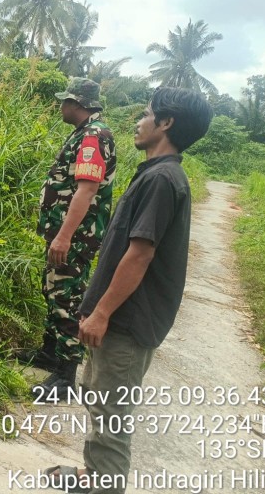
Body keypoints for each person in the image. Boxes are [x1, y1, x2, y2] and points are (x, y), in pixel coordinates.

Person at [46, 86, 213, 493]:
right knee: (99, 398)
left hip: (126, 320)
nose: (139, 121)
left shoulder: (162, 180)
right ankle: (94, 475)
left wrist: (102, 312)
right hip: (122, 316)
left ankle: (104, 485)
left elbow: (139, 256)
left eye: (146, 113)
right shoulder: (156, 174)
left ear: (166, 123)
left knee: (110, 418)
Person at [23, 77, 116, 400]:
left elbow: (87, 190)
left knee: (66, 297)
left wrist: (64, 237)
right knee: (52, 290)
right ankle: (50, 353)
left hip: (75, 237)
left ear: (77, 104)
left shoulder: (93, 136)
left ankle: (65, 378)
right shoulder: (85, 133)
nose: (61, 106)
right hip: (64, 234)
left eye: (65, 101)